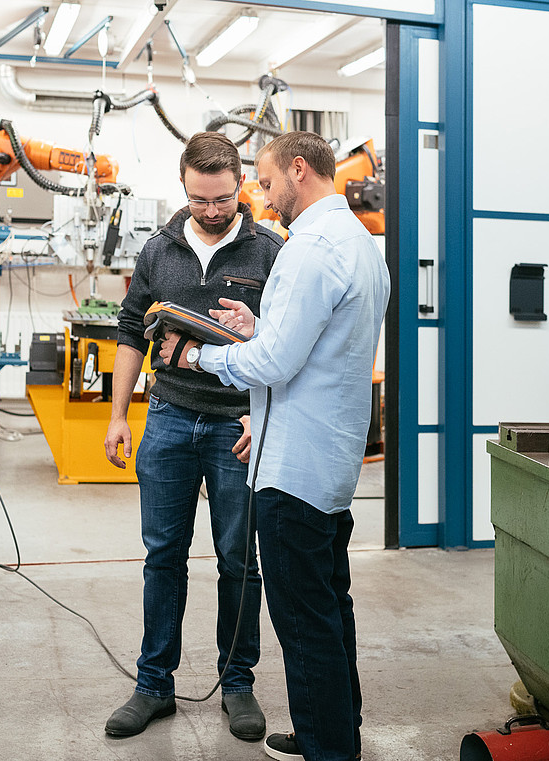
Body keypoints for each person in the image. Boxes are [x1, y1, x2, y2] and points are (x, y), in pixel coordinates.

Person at [159, 130, 390, 761]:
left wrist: (196, 355)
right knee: (329, 608)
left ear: (298, 170)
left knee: (302, 620)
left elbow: (275, 363)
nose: (262, 197)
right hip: (330, 460)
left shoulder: (309, 248)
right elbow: (317, 343)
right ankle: (336, 731)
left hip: (293, 466)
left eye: (265, 183)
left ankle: (327, 749)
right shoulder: (358, 243)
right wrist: (257, 327)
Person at [103, 131, 283, 741]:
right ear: (183, 187)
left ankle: (238, 684)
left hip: (237, 425)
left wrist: (263, 414)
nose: (211, 209)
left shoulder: (270, 252)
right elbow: (132, 331)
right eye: (199, 199)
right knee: (163, 556)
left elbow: (286, 344)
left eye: (222, 198)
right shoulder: (159, 250)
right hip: (170, 418)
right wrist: (119, 415)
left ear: (241, 186)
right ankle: (154, 685)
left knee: (239, 559)